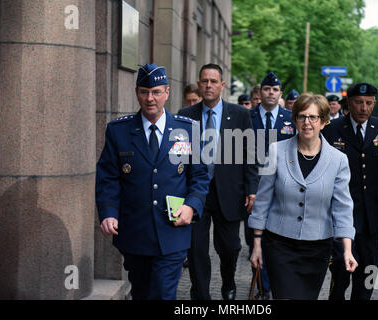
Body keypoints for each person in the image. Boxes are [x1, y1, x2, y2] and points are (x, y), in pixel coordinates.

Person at [95, 63, 209, 300]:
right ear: (137, 93)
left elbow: (199, 176)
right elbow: (108, 177)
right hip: (135, 231)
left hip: (173, 231)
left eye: (156, 92)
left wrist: (191, 205)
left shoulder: (187, 130)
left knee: (163, 293)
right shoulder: (119, 131)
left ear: (167, 93)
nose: (150, 98)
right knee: (141, 292)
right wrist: (108, 212)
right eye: (145, 92)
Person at [249, 93, 358, 300]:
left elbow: (342, 207)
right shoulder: (276, 151)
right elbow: (262, 200)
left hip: (316, 249)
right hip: (279, 245)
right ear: (295, 120)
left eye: (313, 117)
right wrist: (256, 244)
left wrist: (347, 250)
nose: (307, 122)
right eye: (301, 116)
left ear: (324, 122)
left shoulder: (338, 160)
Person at [178, 63, 258, 300]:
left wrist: (252, 188)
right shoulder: (185, 116)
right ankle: (201, 293)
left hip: (230, 192)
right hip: (195, 194)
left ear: (222, 85)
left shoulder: (241, 115)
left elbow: (250, 154)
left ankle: (228, 282)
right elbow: (179, 157)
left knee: (230, 248)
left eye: (214, 81)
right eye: (205, 81)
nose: (209, 85)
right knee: (196, 248)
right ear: (199, 84)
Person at [322, 82, 378, 300]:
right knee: (339, 266)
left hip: (371, 214)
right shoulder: (331, 130)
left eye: (368, 103)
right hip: (341, 214)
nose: (363, 108)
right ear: (348, 102)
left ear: (374, 104)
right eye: (358, 102)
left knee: (369, 269)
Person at [247, 71, 297, 300]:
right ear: (260, 92)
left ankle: (273, 284)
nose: (271, 93)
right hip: (254, 186)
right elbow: (241, 155)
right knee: (254, 238)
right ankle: (262, 286)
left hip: (281, 186)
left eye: (275, 90)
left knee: (277, 237)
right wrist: (248, 189)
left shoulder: (291, 117)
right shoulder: (247, 117)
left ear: (280, 94)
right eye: (267, 89)